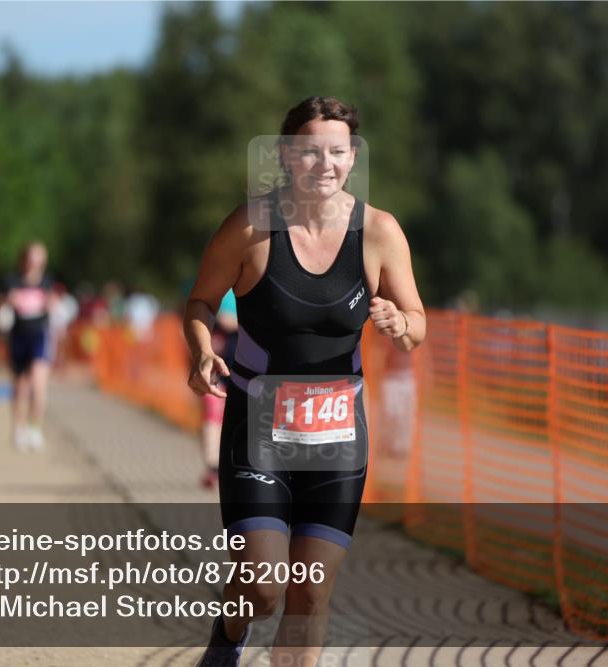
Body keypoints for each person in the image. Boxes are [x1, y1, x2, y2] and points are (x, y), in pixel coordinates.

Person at [183, 96, 425, 666]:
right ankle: (231, 628)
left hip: (338, 440)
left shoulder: (379, 232)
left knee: (310, 594)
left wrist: (399, 322)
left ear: (352, 157)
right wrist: (199, 352)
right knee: (265, 584)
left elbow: (417, 324)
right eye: (311, 152)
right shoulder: (250, 227)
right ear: (287, 157)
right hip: (258, 432)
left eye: (338, 152)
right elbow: (198, 300)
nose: (325, 165)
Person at [1, 242, 57, 452]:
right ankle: (19, 428)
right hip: (18, 337)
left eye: (40, 257)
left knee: (38, 383)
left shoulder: (47, 282)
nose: (36, 262)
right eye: (32, 257)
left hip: (39, 336)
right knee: (20, 387)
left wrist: (51, 305)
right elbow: (4, 306)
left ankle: (35, 428)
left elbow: (53, 306)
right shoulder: (12, 281)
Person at [199, 288, 238, 489]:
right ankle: (212, 467)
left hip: (250, 372)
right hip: (218, 369)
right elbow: (219, 318)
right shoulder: (220, 282)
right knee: (212, 417)